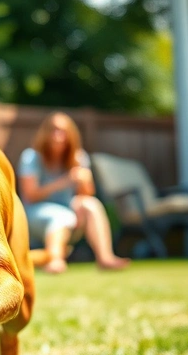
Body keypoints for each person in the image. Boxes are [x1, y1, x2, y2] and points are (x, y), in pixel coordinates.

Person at [17, 112, 130, 274]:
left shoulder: (78, 157)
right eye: (54, 130)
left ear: (70, 134)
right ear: (45, 133)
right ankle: (55, 260)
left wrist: (84, 181)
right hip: (34, 215)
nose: (58, 136)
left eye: (63, 131)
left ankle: (105, 258)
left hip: (70, 214)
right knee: (61, 216)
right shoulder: (31, 157)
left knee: (91, 205)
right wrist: (64, 182)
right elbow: (30, 195)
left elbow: (87, 194)